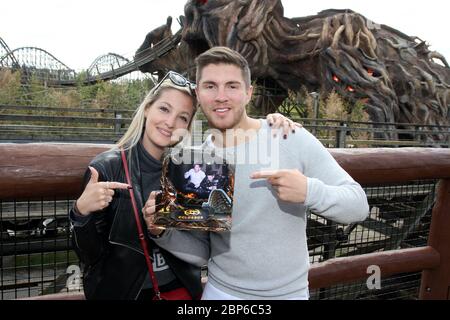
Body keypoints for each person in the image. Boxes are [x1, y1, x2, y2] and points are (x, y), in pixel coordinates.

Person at [144, 47, 370, 300]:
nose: (221, 96)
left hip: (288, 294)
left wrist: (309, 190)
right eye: (210, 86)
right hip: (221, 293)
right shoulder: (196, 160)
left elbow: (358, 205)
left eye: (232, 86)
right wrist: (162, 232)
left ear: (249, 93)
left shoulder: (288, 136)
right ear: (198, 94)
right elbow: (202, 252)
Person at [69, 70, 298, 300]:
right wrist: (81, 212)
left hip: (181, 291)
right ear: (148, 108)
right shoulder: (108, 168)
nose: (170, 123)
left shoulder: (190, 168)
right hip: (130, 293)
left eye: (182, 117)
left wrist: (270, 125)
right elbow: (89, 256)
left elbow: (202, 254)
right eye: (164, 109)